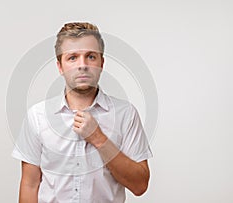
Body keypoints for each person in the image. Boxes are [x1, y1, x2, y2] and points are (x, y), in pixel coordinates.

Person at [12, 22, 153, 203]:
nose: (83, 65)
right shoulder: (37, 116)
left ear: (101, 63)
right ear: (60, 66)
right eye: (72, 58)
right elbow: (30, 184)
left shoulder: (126, 114)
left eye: (91, 57)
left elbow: (140, 185)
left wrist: (98, 138)